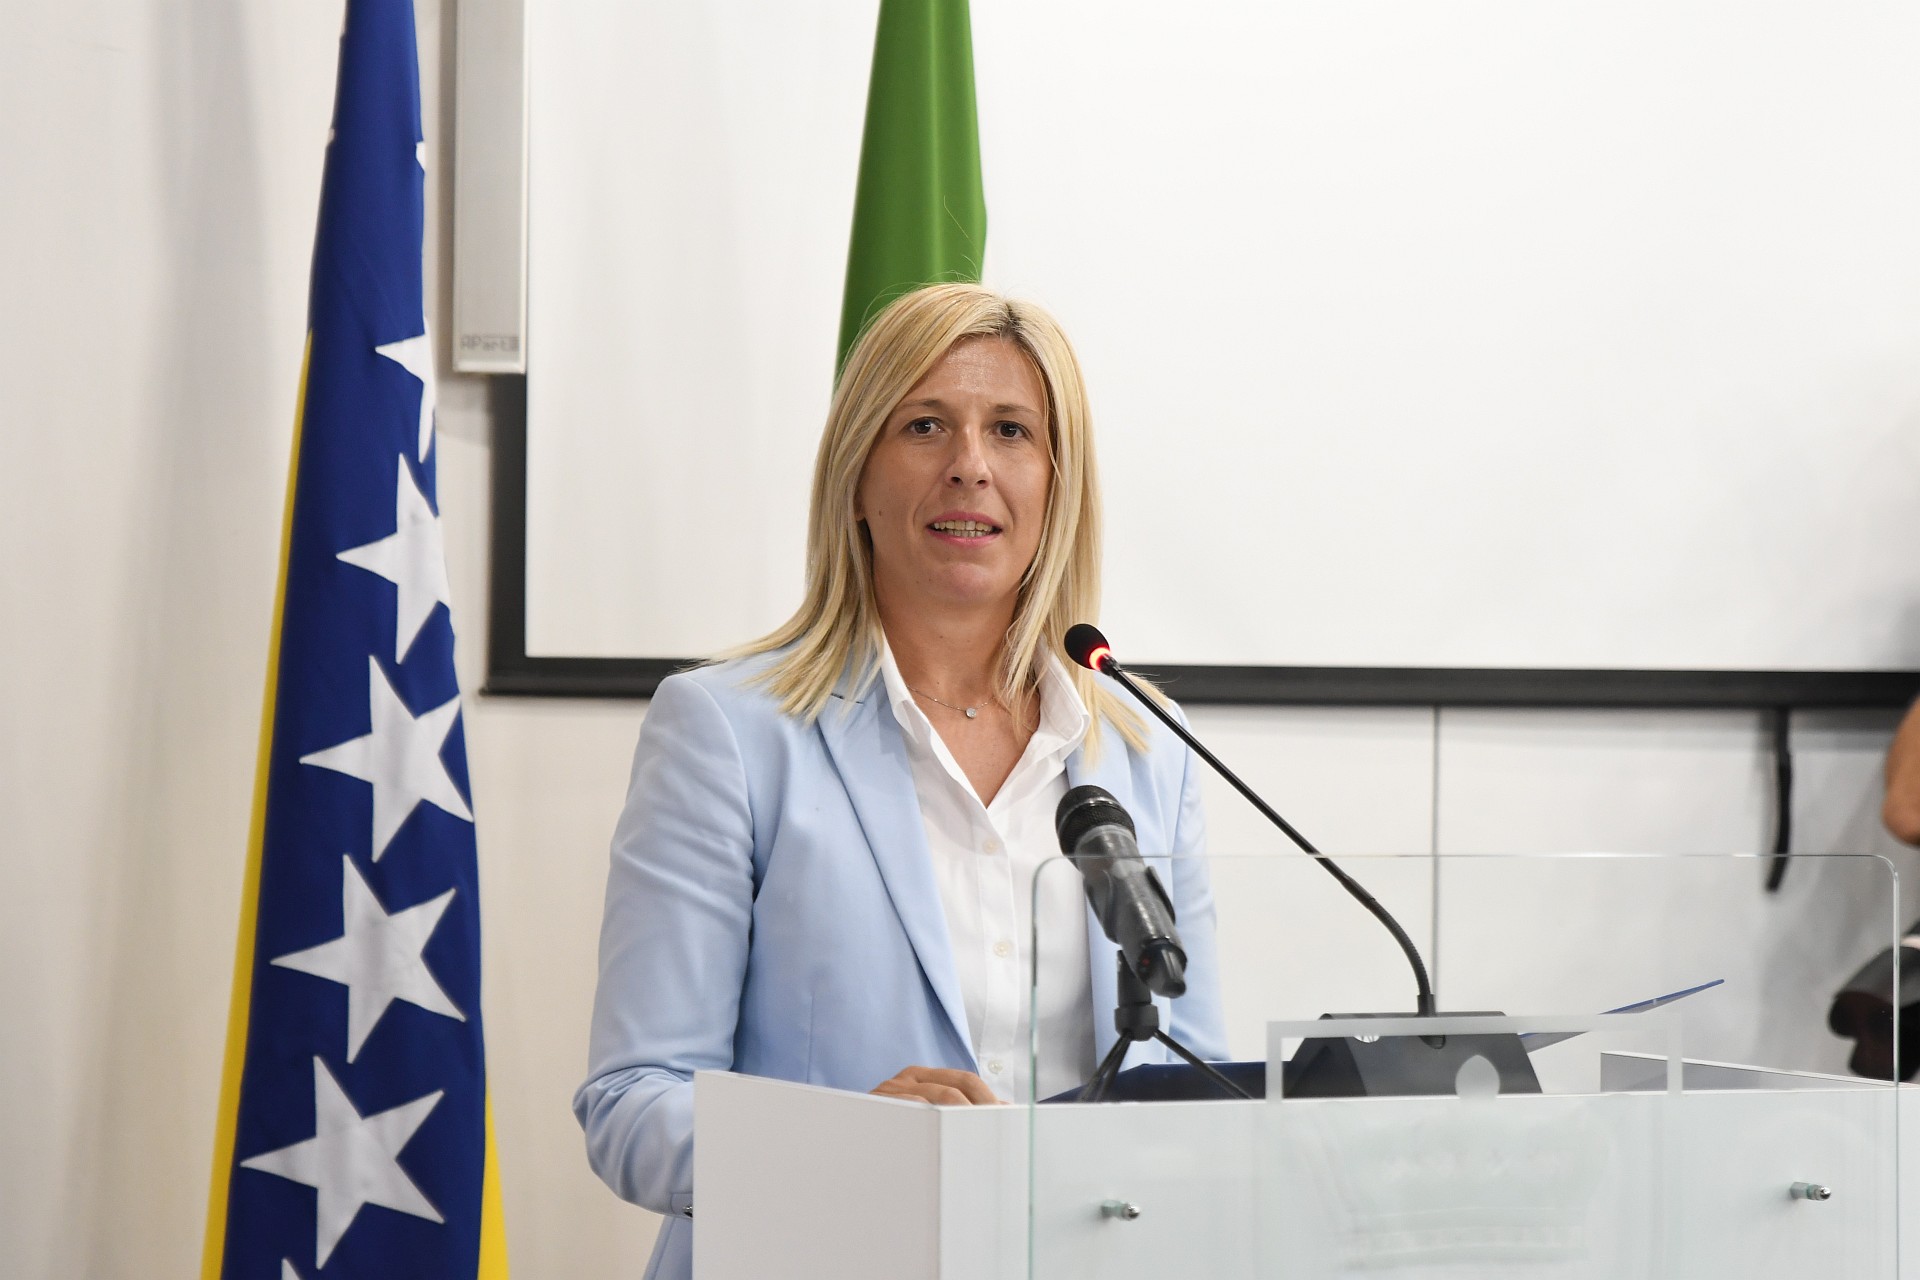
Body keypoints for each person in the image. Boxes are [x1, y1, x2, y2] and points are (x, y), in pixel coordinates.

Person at [573, 283, 1226, 1280]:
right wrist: (850, 1148)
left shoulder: (1149, 752)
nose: (970, 464)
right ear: (857, 475)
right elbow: (632, 1103)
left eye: (1011, 430)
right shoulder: (728, 732)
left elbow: (1199, 1088)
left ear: (1058, 484)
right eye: (924, 425)